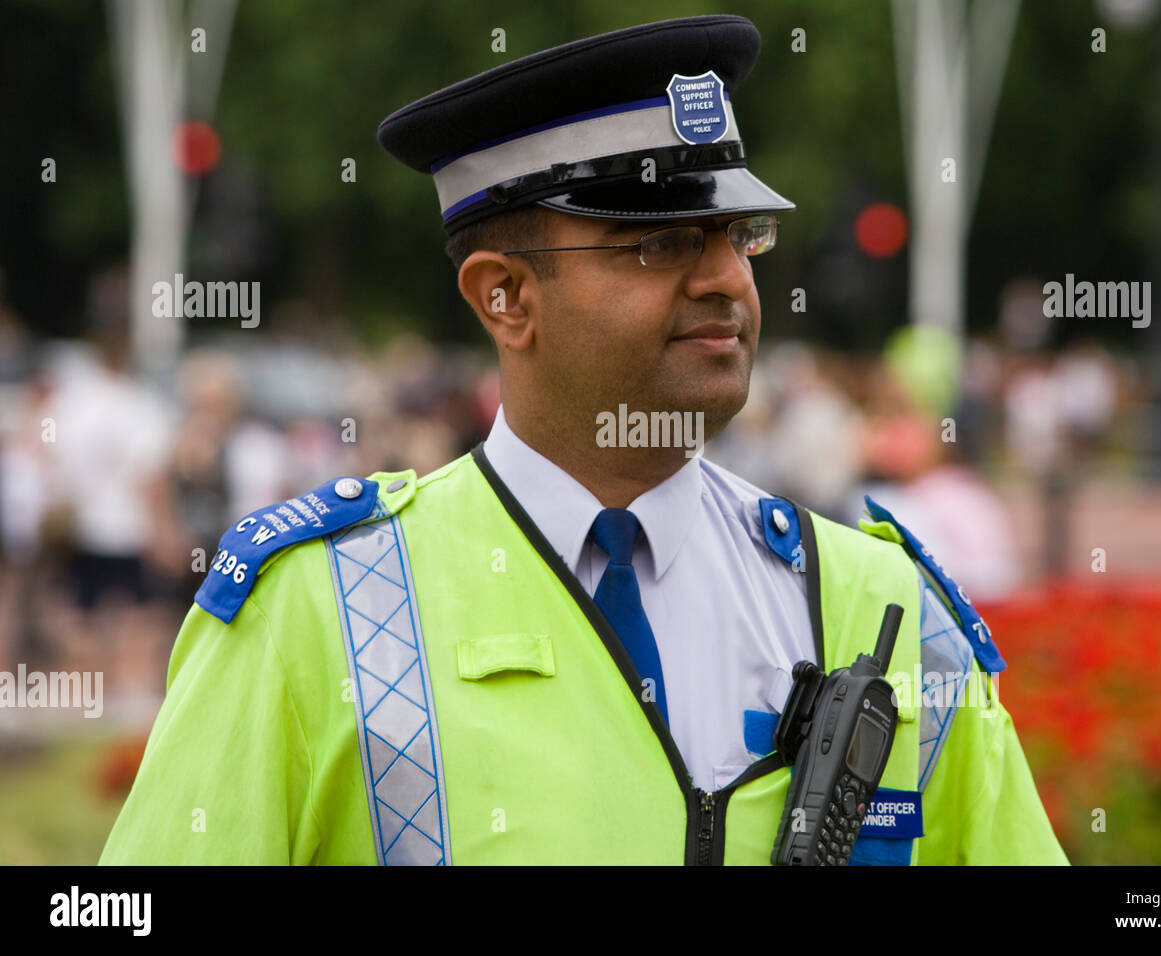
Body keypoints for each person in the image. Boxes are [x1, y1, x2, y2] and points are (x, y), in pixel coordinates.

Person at [100, 15, 1067, 865]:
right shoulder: (318, 610)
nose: (727, 277)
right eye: (660, 243)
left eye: (741, 235)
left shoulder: (887, 608)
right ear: (504, 296)